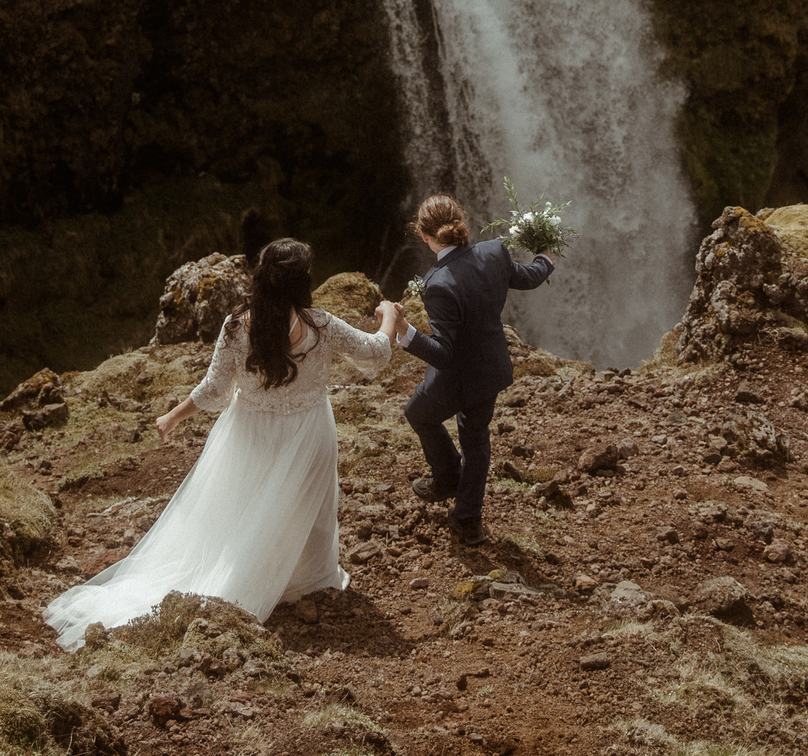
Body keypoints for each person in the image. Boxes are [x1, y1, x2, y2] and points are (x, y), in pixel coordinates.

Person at [41, 238, 398, 650]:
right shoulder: (320, 325)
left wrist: (174, 414)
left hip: (249, 432)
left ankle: (253, 572)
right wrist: (388, 314)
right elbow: (375, 354)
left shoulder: (236, 325)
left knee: (246, 506)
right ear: (300, 283)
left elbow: (213, 390)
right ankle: (304, 582)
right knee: (309, 503)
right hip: (308, 431)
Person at [395, 194, 556, 545]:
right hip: (489, 368)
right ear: (460, 220)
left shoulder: (438, 282)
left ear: (424, 236)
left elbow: (442, 353)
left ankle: (449, 477)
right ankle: (467, 519)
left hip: (455, 376)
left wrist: (404, 332)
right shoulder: (494, 252)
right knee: (476, 438)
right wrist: (547, 258)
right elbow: (527, 277)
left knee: (418, 414)